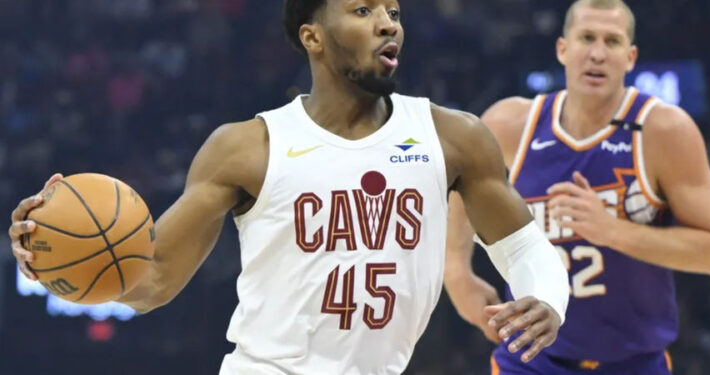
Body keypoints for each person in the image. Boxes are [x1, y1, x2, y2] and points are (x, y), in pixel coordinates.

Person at [8, 1, 569, 374]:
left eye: (393, 11)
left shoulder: (453, 137)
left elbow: (521, 247)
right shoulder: (246, 147)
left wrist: (548, 298)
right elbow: (150, 282)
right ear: (313, 37)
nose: (388, 22)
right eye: (363, 9)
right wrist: (54, 264)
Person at [444, 0, 710, 374]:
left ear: (630, 57)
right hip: (530, 358)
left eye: (611, 42)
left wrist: (613, 231)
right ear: (563, 49)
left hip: (633, 360)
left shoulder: (664, 131)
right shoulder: (511, 124)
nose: (597, 53)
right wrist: (456, 272)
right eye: (587, 38)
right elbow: (461, 187)